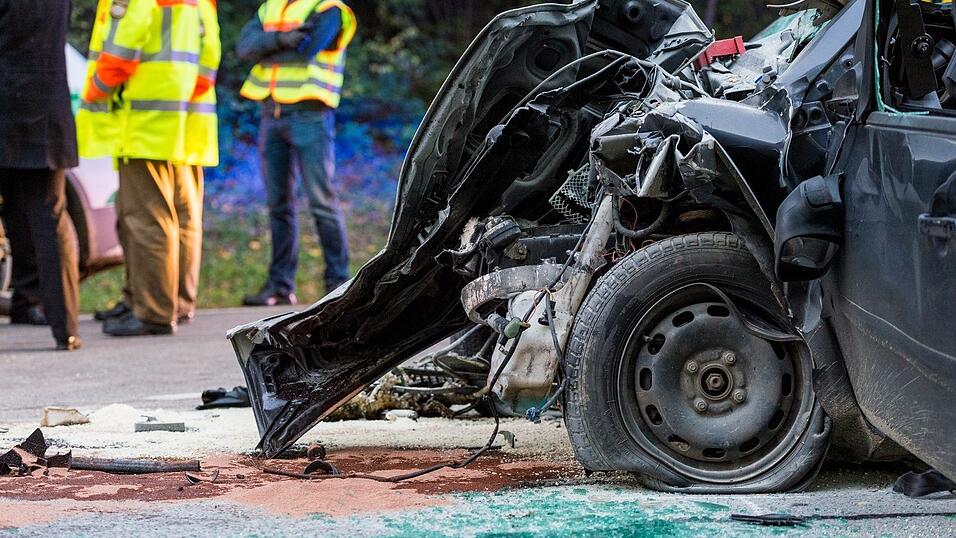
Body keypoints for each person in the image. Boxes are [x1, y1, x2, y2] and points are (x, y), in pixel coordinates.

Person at [77, 0, 220, 337]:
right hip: (184, 119)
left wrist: (96, 89)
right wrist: (184, 90)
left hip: (145, 122)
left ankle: (153, 311)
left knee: (145, 219)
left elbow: (124, 45)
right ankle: (176, 303)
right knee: (182, 217)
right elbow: (211, 50)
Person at [237, 0, 357, 306]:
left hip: (310, 116)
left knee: (321, 201)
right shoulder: (270, 8)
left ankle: (338, 284)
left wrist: (268, 48)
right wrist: (280, 39)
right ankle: (279, 286)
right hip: (271, 113)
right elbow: (244, 48)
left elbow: (306, 50)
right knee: (278, 204)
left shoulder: (329, 8)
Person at [0, 0, 82, 351]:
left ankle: (28, 298)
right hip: (46, 110)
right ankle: (65, 328)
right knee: (49, 216)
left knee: (33, 215)